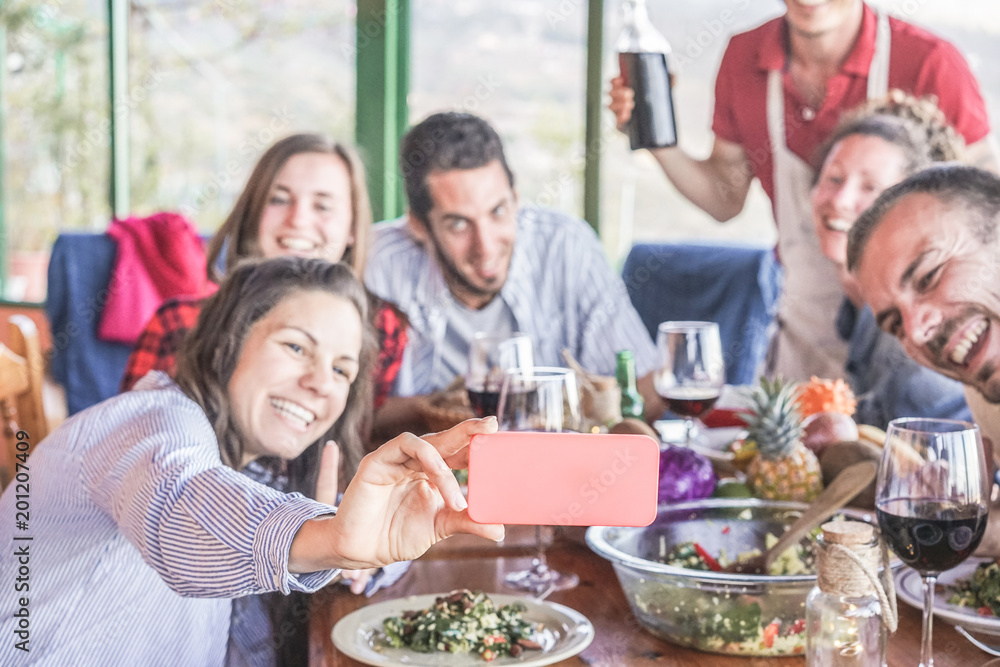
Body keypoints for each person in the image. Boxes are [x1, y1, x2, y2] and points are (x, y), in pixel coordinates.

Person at [0, 256, 502, 666]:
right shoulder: (151, 420)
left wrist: (340, 545)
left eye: (342, 369)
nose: (321, 383)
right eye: (295, 346)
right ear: (226, 342)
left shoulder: (254, 463)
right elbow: (181, 505)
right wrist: (326, 539)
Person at [609, 0, 994, 382]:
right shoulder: (744, 57)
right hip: (803, 334)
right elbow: (724, 200)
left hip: (918, 346)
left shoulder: (930, 62)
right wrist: (657, 139)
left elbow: (989, 216)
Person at [364, 112, 663, 437]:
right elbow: (341, 416)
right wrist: (438, 406)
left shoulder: (565, 245)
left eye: (498, 211)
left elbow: (644, 390)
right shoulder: (376, 263)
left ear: (516, 198)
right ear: (419, 226)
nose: (486, 246)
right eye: (459, 224)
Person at [121, 133, 407, 424]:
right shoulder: (179, 322)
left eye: (322, 206)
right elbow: (129, 442)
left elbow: (359, 429)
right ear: (252, 214)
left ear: (352, 228)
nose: (297, 219)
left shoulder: (381, 326)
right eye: (279, 199)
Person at [845, 164, 1000, 553]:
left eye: (930, 275)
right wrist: (979, 512)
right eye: (895, 324)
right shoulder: (984, 387)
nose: (915, 331)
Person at [810, 92, 970, 428]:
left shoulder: (915, 331)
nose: (841, 200)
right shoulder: (859, 304)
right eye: (834, 178)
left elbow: (919, 464)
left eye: (870, 187)